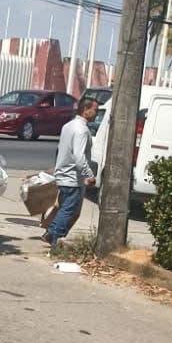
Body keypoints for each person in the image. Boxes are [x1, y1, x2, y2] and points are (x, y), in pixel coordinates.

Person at [43, 97, 100, 248]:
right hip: (72, 178)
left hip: (63, 175)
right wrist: (89, 175)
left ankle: (51, 233)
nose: (96, 113)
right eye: (95, 110)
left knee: (64, 208)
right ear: (86, 110)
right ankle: (55, 236)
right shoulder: (81, 130)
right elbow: (79, 156)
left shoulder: (68, 126)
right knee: (69, 210)